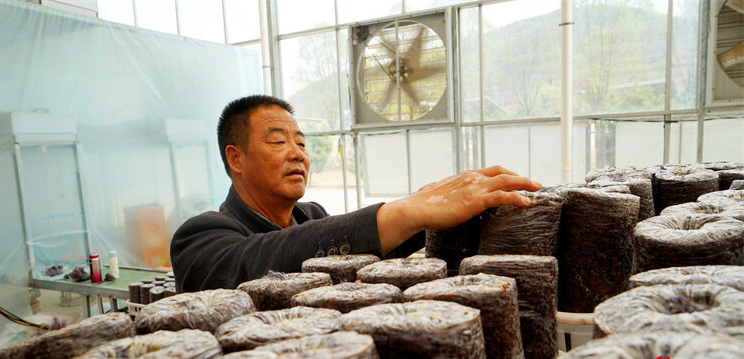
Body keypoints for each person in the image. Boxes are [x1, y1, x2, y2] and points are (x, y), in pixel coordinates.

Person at [170, 95, 542, 292]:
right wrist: (409, 209)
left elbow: (362, 247)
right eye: (278, 141)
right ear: (235, 158)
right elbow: (267, 258)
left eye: (301, 143)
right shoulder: (201, 236)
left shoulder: (311, 215)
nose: (298, 154)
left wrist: (430, 205)